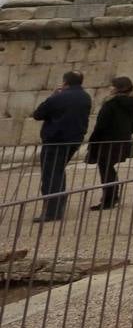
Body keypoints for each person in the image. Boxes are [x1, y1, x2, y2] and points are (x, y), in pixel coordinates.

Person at [31, 70, 92, 223]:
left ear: (65, 82)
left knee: (50, 174)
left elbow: (38, 114)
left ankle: (52, 211)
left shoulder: (58, 98)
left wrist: (53, 96)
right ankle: (58, 205)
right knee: (58, 171)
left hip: (55, 140)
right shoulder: (85, 97)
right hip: (73, 140)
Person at [85, 76, 133, 211]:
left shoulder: (111, 104)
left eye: (112, 86)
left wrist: (94, 140)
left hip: (106, 141)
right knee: (108, 168)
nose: (110, 88)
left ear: (117, 88)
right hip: (122, 140)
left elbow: (101, 125)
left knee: (106, 169)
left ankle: (109, 199)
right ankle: (112, 196)